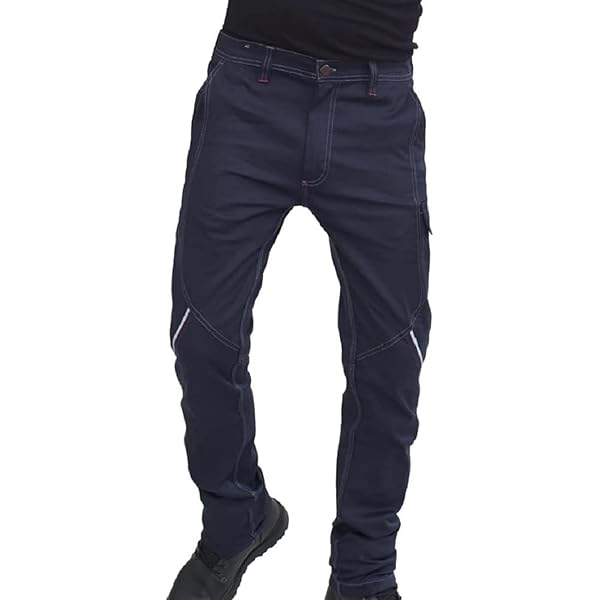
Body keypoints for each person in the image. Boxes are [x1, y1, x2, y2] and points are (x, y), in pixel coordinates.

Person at [167, 1, 431, 599]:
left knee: (392, 354)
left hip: (376, 103)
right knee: (200, 332)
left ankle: (364, 572)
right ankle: (235, 520)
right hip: (249, 89)